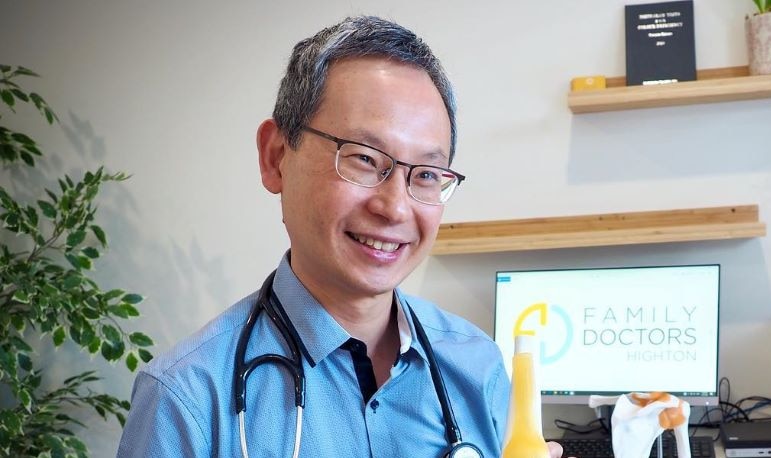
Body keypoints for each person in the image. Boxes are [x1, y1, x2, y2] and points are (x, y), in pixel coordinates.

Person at [117, 15, 564, 458]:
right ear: (276, 158)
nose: (394, 207)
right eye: (364, 159)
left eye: (426, 174)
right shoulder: (188, 398)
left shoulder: (476, 365)